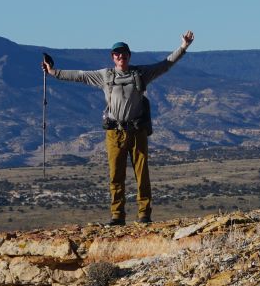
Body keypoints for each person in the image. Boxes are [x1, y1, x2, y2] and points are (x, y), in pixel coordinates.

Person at [43, 31, 195, 225]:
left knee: (142, 174)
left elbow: (165, 65)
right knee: (116, 175)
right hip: (115, 132)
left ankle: (144, 214)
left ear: (129, 56)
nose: (121, 57)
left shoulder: (140, 74)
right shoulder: (105, 76)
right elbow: (79, 76)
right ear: (112, 57)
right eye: (117, 54)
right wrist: (53, 72)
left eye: (124, 54)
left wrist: (183, 47)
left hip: (137, 131)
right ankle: (117, 215)